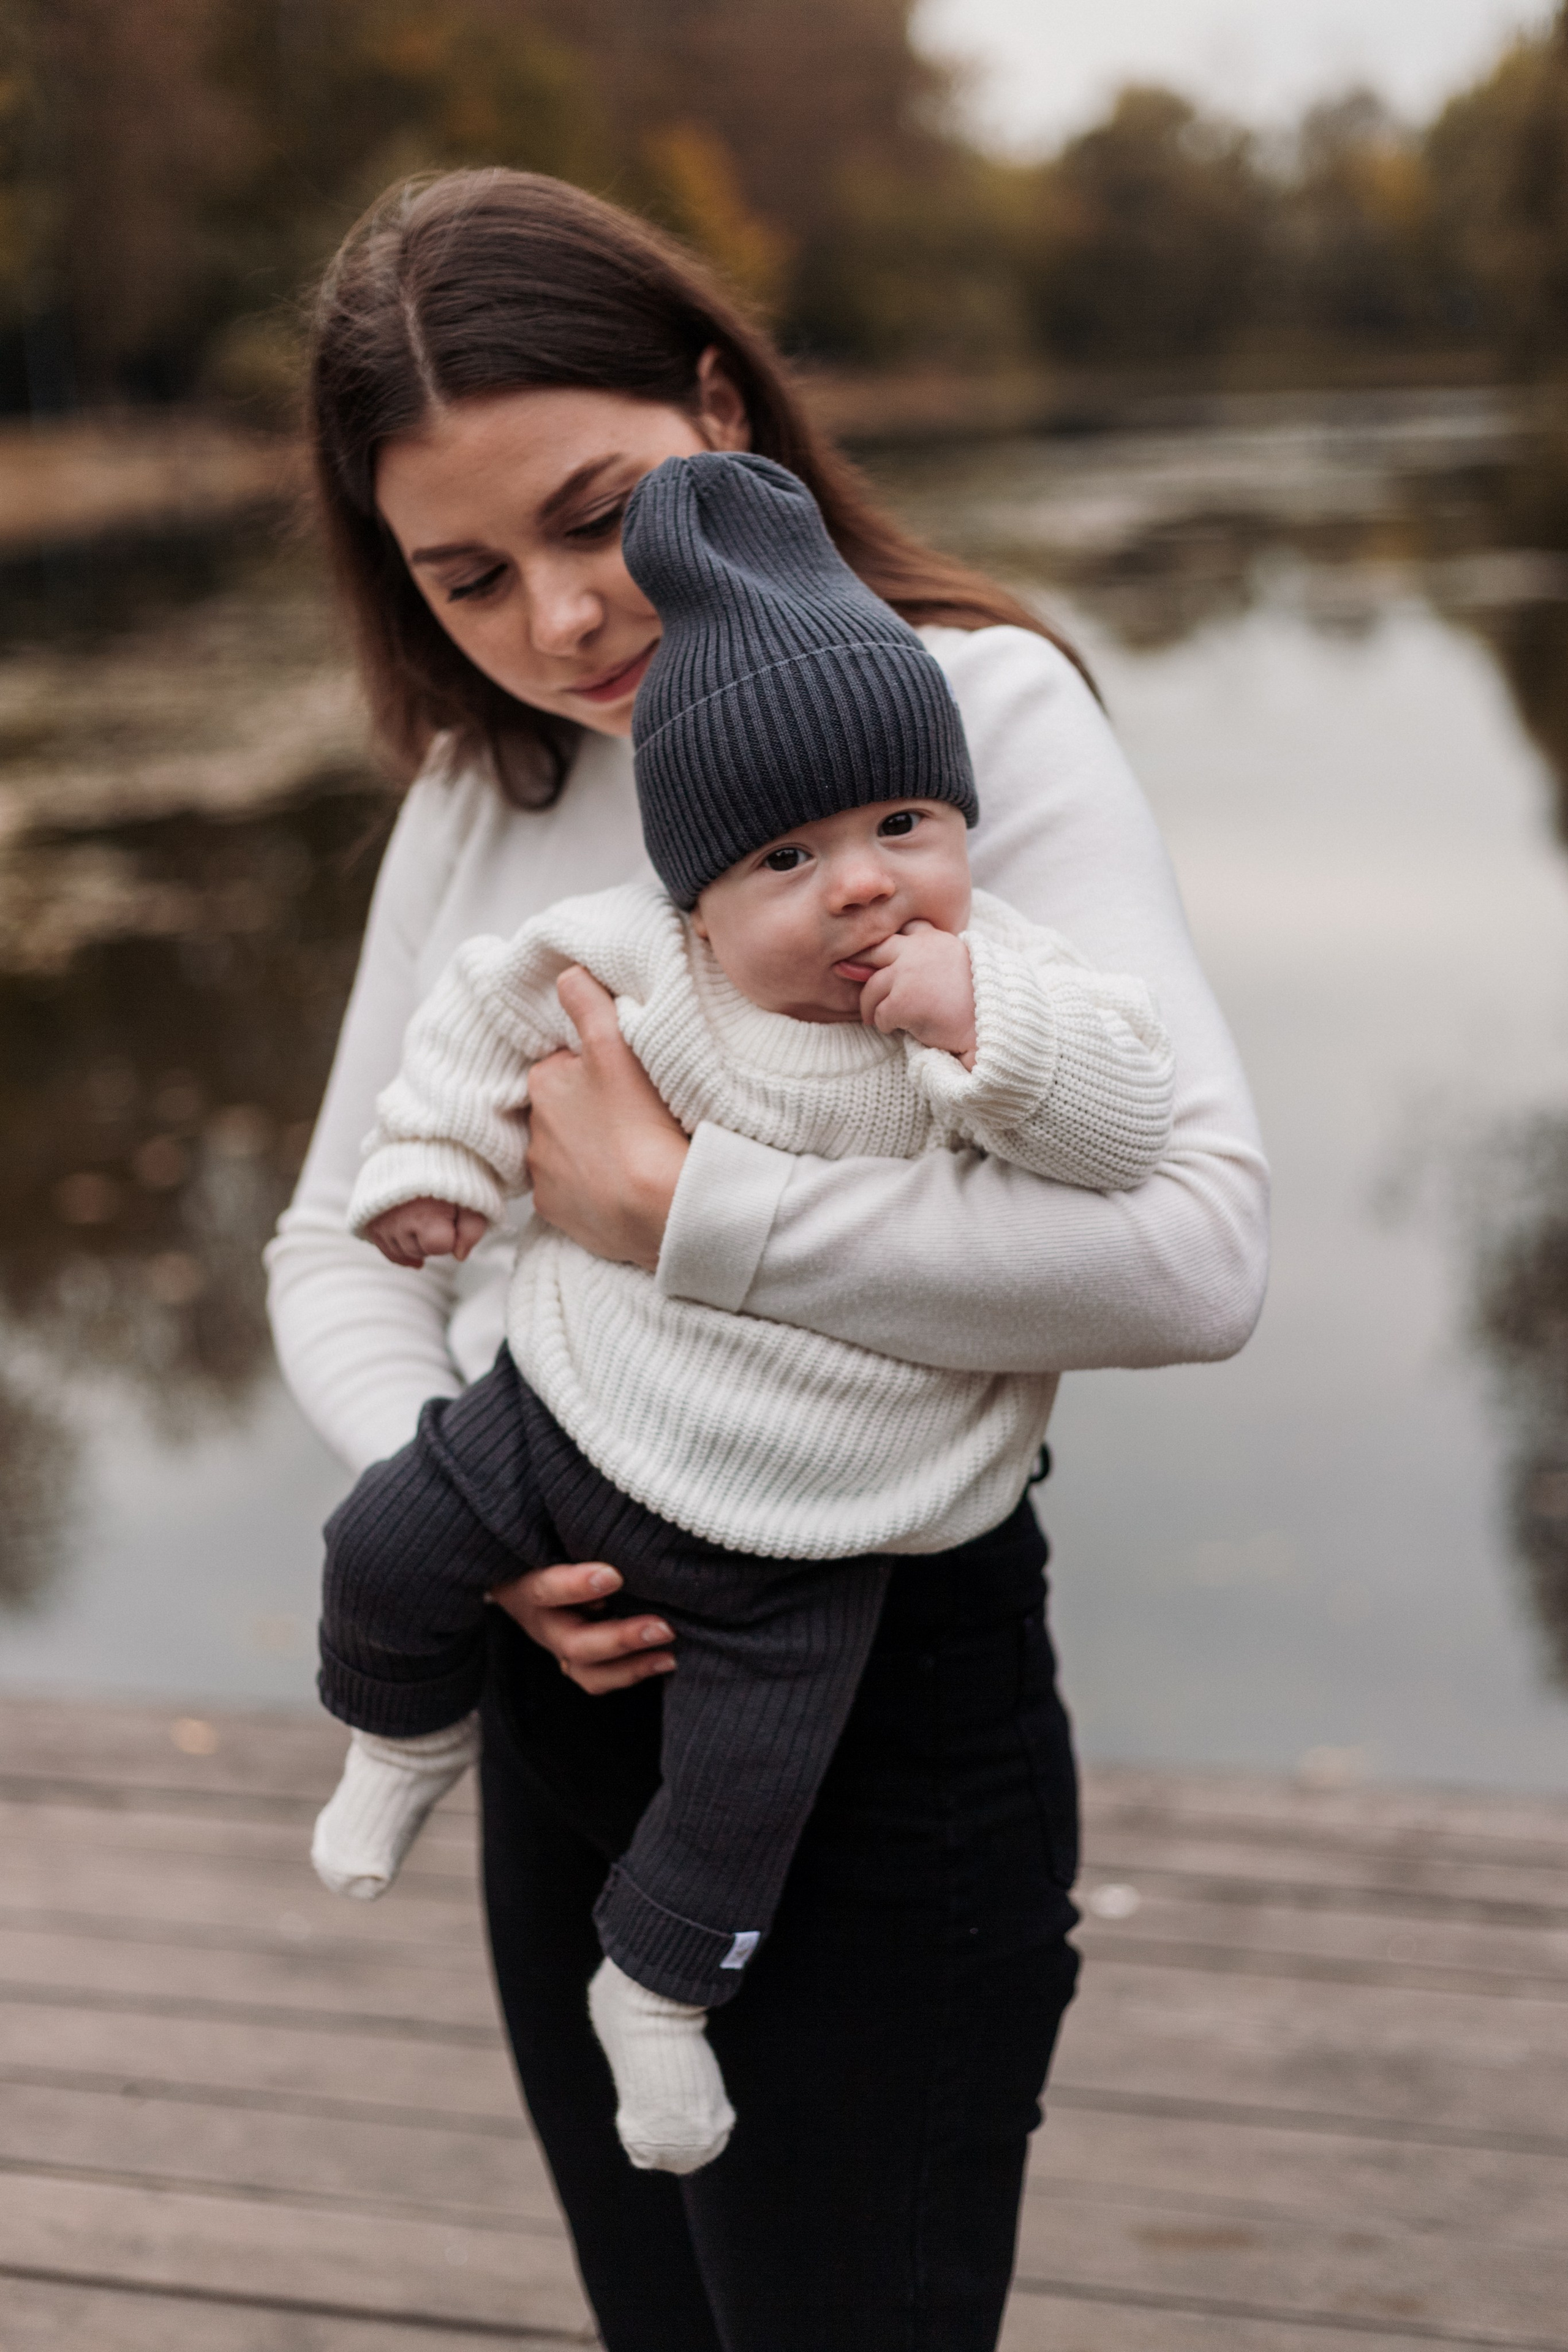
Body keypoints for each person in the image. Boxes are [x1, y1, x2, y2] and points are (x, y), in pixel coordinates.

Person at [266, 167, 1268, 2352]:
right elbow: (335, 1247)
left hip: (875, 1689)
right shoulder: (483, 798)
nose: (555, 622)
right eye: (463, 574)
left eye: (596, 510)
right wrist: (473, 1501)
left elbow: (1195, 1256)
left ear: (722, 412)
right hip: (560, 1691)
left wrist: (685, 1221)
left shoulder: (963, 721)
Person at [307, 447, 1178, 2177]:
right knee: (385, 1534)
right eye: (792, 855)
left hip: (823, 1534)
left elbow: (1135, 1140)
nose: (865, 885)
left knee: (742, 1798)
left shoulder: (999, 976)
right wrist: (439, 1172)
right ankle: (402, 1727)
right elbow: (484, 1021)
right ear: (697, 895)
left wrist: (987, 1028)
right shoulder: (639, 956)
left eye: (904, 831)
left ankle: (664, 1995)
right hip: (566, 1423)